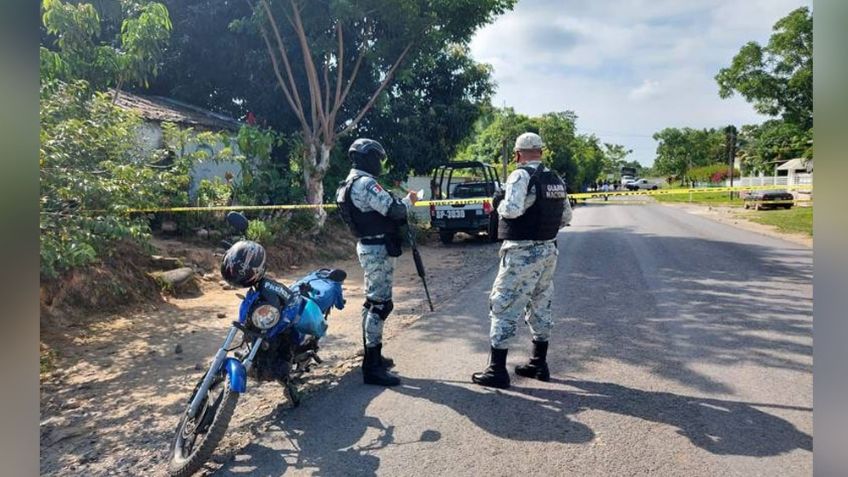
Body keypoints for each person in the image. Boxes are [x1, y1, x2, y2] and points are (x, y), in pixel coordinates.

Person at [472, 132, 571, 389]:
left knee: (503, 303)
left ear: (517, 154)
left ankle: (496, 370)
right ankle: (539, 363)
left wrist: (498, 202)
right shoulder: (555, 179)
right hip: (548, 250)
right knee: (541, 303)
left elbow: (512, 210)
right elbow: (566, 217)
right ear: (541, 151)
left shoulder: (520, 175)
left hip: (521, 252)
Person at [335, 138, 418, 386]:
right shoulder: (366, 184)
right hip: (377, 249)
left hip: (368, 246)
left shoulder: (346, 184)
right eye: (378, 158)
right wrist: (408, 202)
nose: (380, 163)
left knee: (371, 303)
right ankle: (372, 367)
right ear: (368, 158)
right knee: (380, 305)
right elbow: (394, 210)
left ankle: (373, 356)